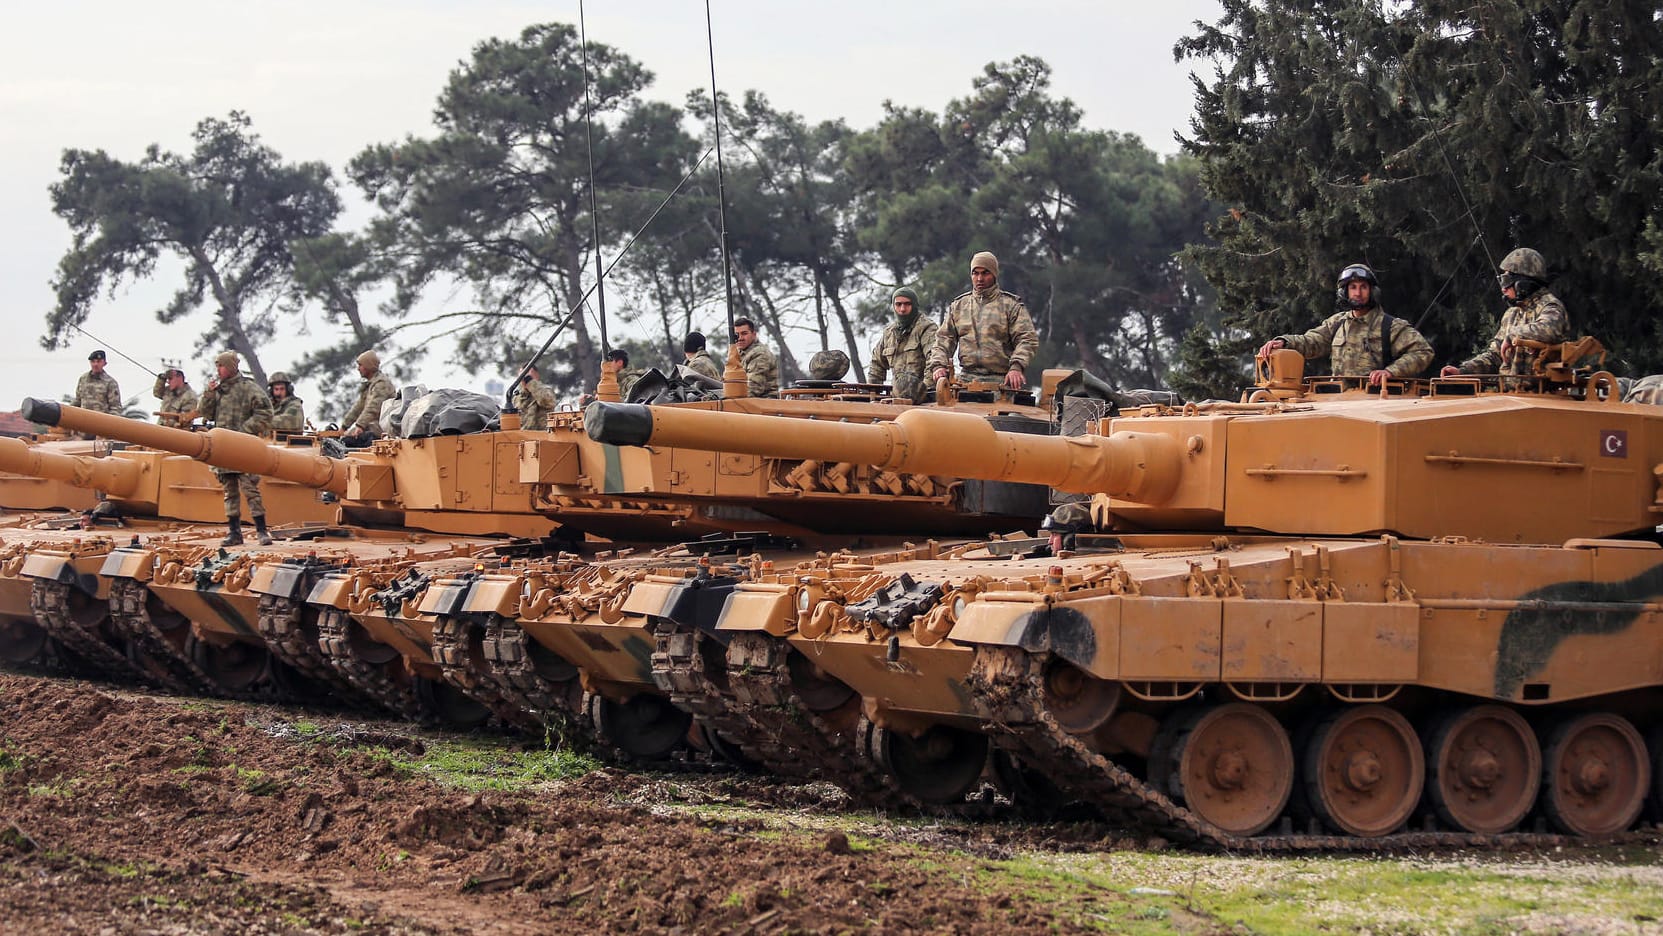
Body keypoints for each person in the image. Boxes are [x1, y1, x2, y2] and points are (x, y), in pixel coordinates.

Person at [1256, 263, 1434, 384]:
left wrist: (1390, 372)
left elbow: (1423, 352)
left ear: (1372, 291)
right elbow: (1312, 341)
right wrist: (1284, 342)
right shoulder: (1337, 323)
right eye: (1353, 287)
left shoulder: (1389, 326)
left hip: (1377, 401)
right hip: (1338, 399)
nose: (1358, 293)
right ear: (1345, 292)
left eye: (1363, 287)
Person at [1441, 247, 1569, 383]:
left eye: (1507, 280)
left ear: (1523, 283)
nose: (1503, 288)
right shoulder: (1512, 314)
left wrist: (1512, 336)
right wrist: (1463, 371)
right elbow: (1495, 356)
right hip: (1510, 394)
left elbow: (1549, 329)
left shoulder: (1550, 306)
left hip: (1542, 395)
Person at [928, 251, 1039, 390]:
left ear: (994, 275)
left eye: (985, 273)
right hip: (966, 379)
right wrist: (938, 366)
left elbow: (1027, 339)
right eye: (975, 273)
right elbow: (943, 339)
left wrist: (1016, 367)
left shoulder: (1010, 306)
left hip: (1001, 381)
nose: (979, 278)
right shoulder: (959, 306)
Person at [196, 351, 275, 546]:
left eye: (221, 366)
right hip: (223, 449)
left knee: (250, 490)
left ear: (231, 367)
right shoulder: (218, 391)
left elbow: (265, 412)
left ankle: (262, 531)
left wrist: (245, 431)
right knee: (229, 492)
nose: (218, 370)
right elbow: (204, 412)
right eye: (217, 366)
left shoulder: (248, 388)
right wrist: (209, 393)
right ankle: (234, 532)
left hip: (243, 448)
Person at [867, 286, 939, 403]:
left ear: (914, 305)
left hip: (923, 398)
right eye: (898, 304)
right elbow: (877, 365)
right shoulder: (889, 333)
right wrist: (872, 392)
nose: (902, 309)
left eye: (907, 304)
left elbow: (934, 360)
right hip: (897, 397)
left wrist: (925, 391)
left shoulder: (927, 328)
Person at [342, 350, 396, 447]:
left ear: (368, 366)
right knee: (345, 439)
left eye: (360, 365)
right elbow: (358, 407)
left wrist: (360, 426)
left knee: (350, 441)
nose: (358, 369)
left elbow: (374, 408)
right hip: (372, 425)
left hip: (383, 427)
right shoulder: (371, 384)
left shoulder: (381, 383)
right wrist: (344, 426)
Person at [733, 318, 779, 397]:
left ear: (754, 334)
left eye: (744, 333)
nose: (740, 338)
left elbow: (753, 387)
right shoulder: (738, 354)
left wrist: (729, 400)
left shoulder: (760, 354)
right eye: (736, 335)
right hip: (744, 402)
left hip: (763, 403)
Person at [75, 350, 122, 415]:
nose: (95, 364)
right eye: (93, 362)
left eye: (99, 362)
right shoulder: (83, 379)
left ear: (104, 363)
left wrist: (110, 423)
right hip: (83, 419)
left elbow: (115, 408)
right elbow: (77, 401)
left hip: (101, 422)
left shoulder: (110, 382)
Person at [514, 362, 557, 430]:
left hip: (542, 436)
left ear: (537, 375)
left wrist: (531, 382)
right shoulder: (517, 398)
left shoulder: (546, 391)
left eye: (527, 375)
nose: (524, 379)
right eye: (522, 376)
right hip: (522, 437)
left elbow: (547, 402)